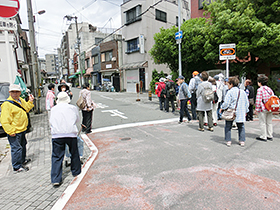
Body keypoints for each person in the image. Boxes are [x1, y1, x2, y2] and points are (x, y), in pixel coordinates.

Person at [49, 92, 81, 186]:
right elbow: (77, 119)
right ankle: (76, 171)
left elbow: (51, 121)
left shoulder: (53, 109)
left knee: (57, 156)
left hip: (57, 134)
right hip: (70, 133)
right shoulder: (72, 108)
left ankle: (56, 179)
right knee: (74, 152)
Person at [0, 84, 34, 173]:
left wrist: (30, 101)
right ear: (9, 92)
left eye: (17, 91)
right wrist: (10, 131)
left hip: (22, 129)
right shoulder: (7, 104)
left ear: (20, 92)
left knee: (23, 145)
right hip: (14, 131)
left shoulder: (20, 100)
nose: (15, 93)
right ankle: (17, 166)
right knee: (16, 148)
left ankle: (22, 160)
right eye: (13, 92)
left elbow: (26, 108)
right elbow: (4, 120)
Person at [220, 77, 249, 147]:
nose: (227, 85)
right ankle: (242, 140)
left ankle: (228, 140)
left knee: (228, 126)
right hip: (241, 111)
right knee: (241, 126)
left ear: (231, 84)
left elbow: (226, 103)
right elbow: (246, 103)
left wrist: (222, 108)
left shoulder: (230, 92)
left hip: (231, 110)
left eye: (228, 84)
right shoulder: (242, 92)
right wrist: (246, 111)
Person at [255, 75, 274, 141]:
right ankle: (270, 135)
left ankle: (263, 136)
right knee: (269, 122)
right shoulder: (269, 89)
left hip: (263, 108)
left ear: (260, 82)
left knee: (262, 122)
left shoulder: (260, 90)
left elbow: (258, 100)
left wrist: (256, 109)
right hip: (270, 108)